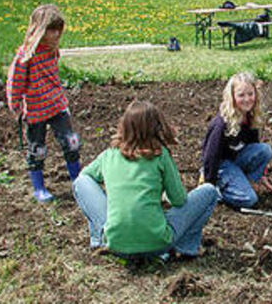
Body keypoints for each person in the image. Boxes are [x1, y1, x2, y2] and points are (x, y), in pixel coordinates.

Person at [72, 100, 219, 260]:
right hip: (158, 244)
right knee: (209, 191)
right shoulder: (160, 155)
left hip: (117, 245)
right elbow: (179, 200)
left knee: (80, 182)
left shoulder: (110, 155)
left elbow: (85, 177)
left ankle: (100, 239)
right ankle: (186, 248)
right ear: (157, 127)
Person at [6, 4, 81, 203]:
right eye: (51, 29)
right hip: (35, 110)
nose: (56, 34)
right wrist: (15, 105)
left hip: (57, 105)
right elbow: (16, 82)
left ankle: (78, 182)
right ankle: (39, 188)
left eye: (58, 29)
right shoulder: (26, 56)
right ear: (39, 29)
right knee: (37, 149)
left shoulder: (52, 51)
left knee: (71, 142)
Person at [200, 72, 272, 209]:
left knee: (265, 150)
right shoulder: (221, 124)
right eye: (241, 95)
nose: (247, 99)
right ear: (232, 97)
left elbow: (254, 145)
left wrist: (262, 175)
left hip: (236, 159)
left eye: (250, 94)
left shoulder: (249, 117)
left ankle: (244, 182)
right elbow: (210, 156)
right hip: (220, 166)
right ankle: (219, 192)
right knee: (249, 199)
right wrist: (208, 186)